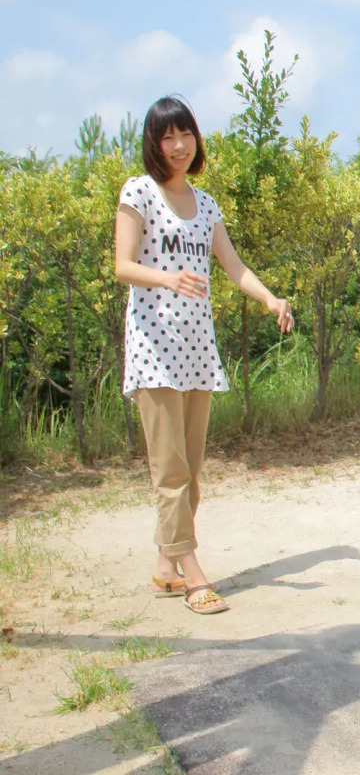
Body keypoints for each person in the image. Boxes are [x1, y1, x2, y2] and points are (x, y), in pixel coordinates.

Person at [114, 96, 294, 613]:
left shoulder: (206, 203)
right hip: (154, 347)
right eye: (167, 137)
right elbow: (122, 266)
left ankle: (164, 568)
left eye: (185, 135)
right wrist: (167, 276)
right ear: (154, 142)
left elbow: (234, 267)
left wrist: (269, 299)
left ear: (196, 139)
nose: (177, 146)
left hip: (197, 350)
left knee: (190, 473)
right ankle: (192, 575)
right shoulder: (139, 192)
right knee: (169, 469)